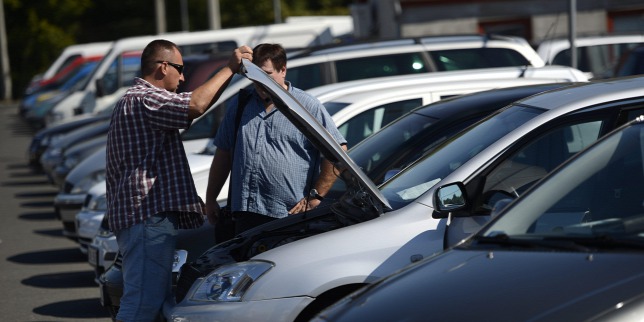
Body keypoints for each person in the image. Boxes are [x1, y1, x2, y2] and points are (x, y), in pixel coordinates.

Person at [105, 39, 252, 322]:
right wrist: (229, 68)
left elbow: (196, 104)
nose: (183, 77)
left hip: (143, 220)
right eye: (180, 69)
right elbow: (195, 104)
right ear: (163, 67)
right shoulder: (144, 99)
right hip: (146, 219)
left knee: (152, 301)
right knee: (141, 305)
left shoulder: (136, 100)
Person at [205, 43, 347, 236]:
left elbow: (338, 153)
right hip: (245, 215)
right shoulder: (241, 103)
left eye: (267, 74)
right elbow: (224, 152)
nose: (260, 81)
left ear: (283, 71)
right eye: (254, 74)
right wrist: (211, 197)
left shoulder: (306, 107)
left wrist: (315, 197)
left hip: (288, 217)